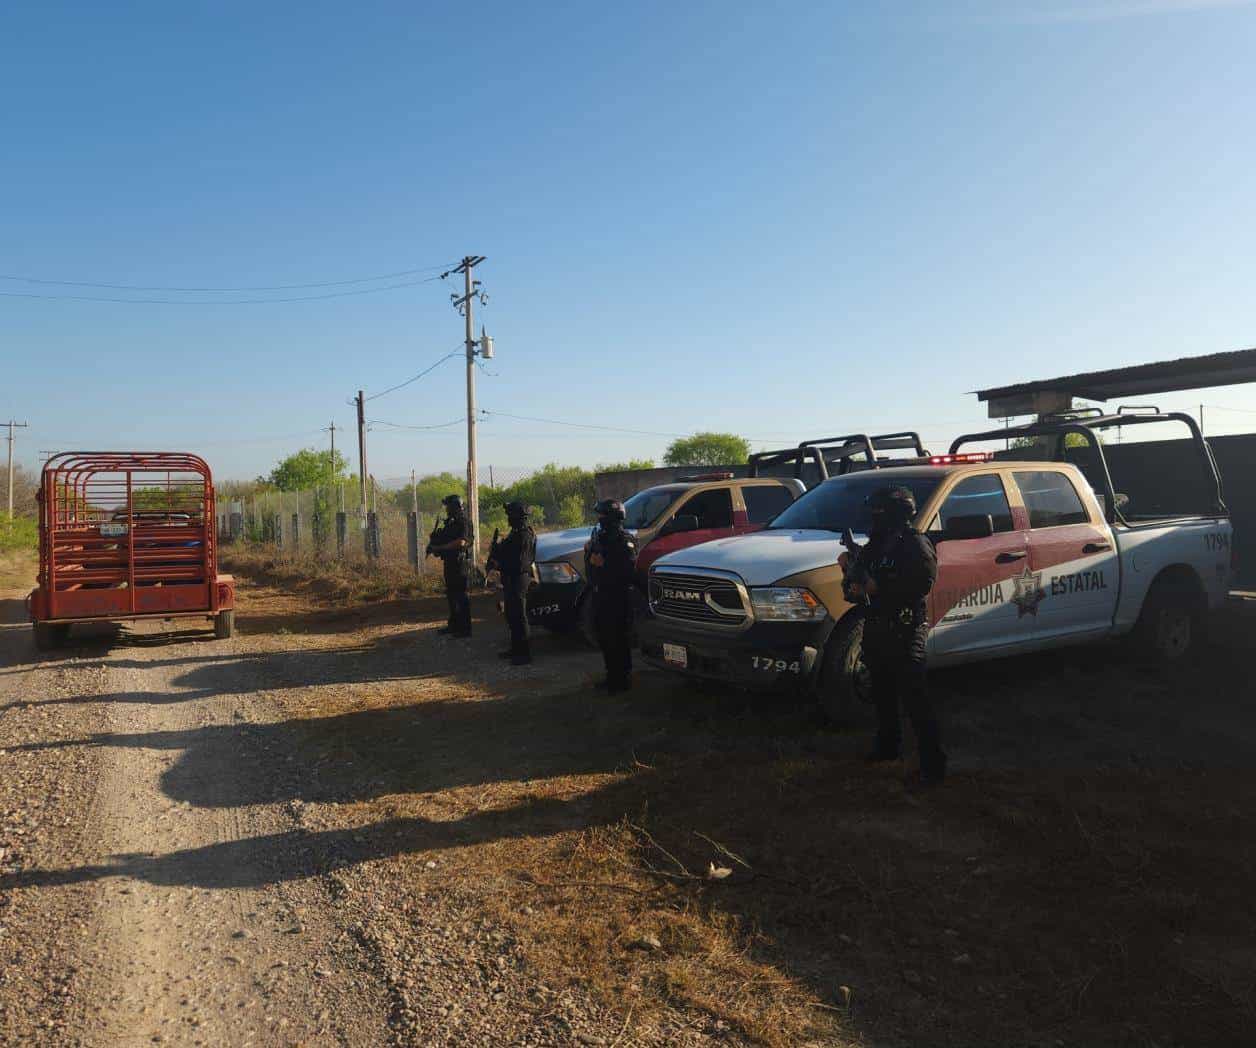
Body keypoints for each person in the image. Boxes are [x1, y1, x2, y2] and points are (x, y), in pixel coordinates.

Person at [843, 485, 943, 787]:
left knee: (915, 698)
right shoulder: (874, 545)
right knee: (882, 693)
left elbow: (923, 582)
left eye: (879, 511)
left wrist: (879, 588)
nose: (874, 517)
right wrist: (850, 575)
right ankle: (888, 748)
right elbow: (854, 590)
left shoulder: (913, 543)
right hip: (876, 626)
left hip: (906, 626)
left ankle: (932, 765)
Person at [585, 498, 637, 694]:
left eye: (602, 515)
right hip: (600, 595)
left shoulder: (624, 540)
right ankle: (611, 676)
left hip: (617, 597)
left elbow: (627, 572)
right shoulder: (601, 537)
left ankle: (622, 681)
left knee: (619, 640)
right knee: (605, 638)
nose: (599, 519)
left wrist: (604, 564)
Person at [488, 500, 537, 665]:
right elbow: (507, 553)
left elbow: (520, 563)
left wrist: (499, 564)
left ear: (517, 517)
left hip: (518, 579)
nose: (508, 518)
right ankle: (516, 649)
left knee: (519, 616)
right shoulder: (515, 533)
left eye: (510, 515)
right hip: (510, 579)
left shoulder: (524, 535)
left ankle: (524, 654)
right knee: (511, 615)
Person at [427, 493, 472, 638]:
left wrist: (441, 548)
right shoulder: (451, 523)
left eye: (448, 506)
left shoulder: (464, 522)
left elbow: (462, 542)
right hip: (450, 562)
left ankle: (465, 629)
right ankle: (454, 625)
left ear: (455, 507)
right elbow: (443, 539)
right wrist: (434, 542)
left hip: (460, 563)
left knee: (461, 595)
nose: (446, 509)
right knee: (451, 594)